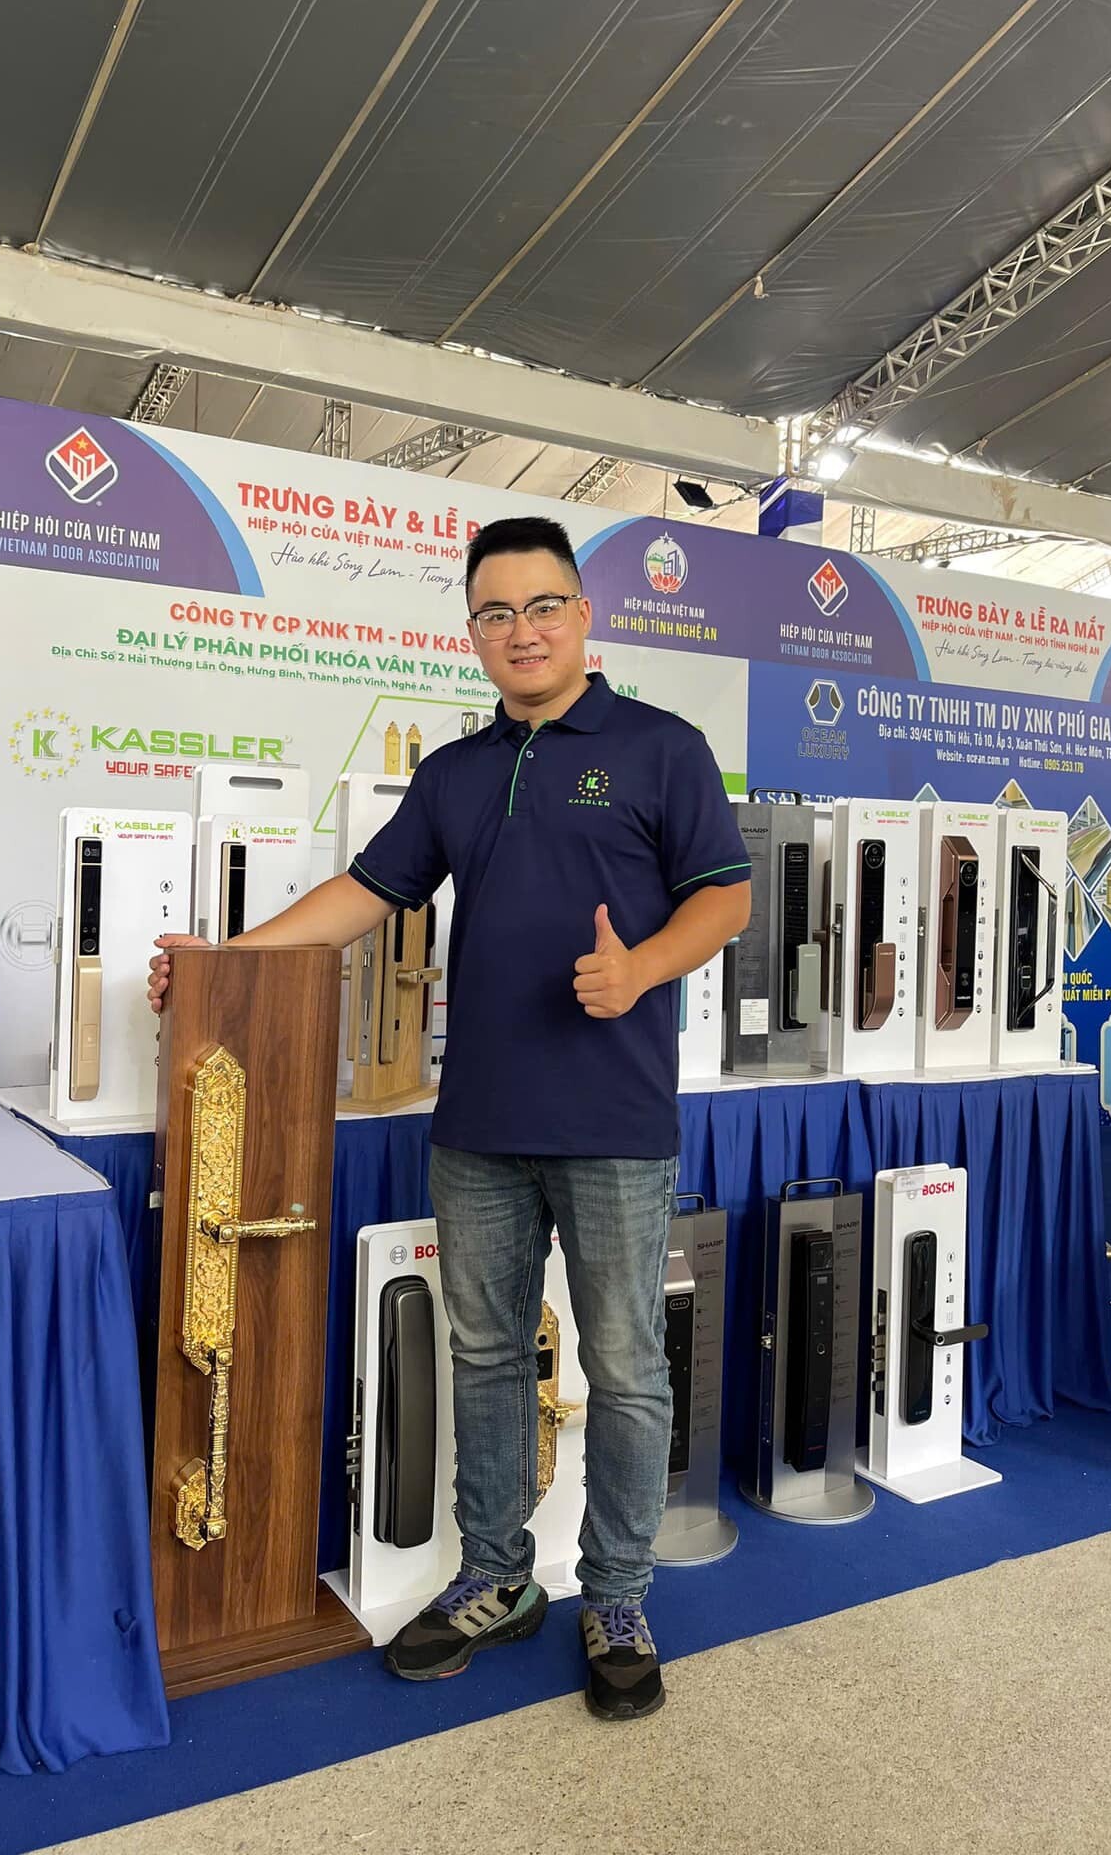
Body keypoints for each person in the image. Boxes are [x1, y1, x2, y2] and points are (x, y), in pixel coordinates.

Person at [147, 514, 750, 1721]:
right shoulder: (458, 772)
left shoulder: (660, 747)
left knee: (626, 1366)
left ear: (583, 617)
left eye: (543, 606)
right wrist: (224, 963)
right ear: (473, 631)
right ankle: (496, 1574)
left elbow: (725, 897)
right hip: (478, 1120)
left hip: (614, 1119)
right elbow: (365, 894)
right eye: (495, 612)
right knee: (485, 1354)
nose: (522, 631)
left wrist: (638, 969)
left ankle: (617, 1593)